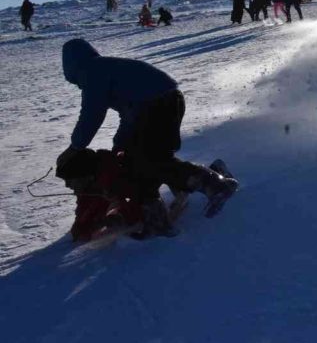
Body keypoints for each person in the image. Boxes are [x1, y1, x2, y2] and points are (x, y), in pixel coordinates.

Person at [58, 39, 238, 239]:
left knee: (150, 161)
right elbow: (128, 113)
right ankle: (161, 214)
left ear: (71, 67)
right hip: (164, 102)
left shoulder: (92, 72)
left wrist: (75, 147)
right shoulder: (104, 68)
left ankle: (215, 185)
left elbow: (92, 114)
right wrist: (119, 144)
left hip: (157, 105)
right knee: (140, 162)